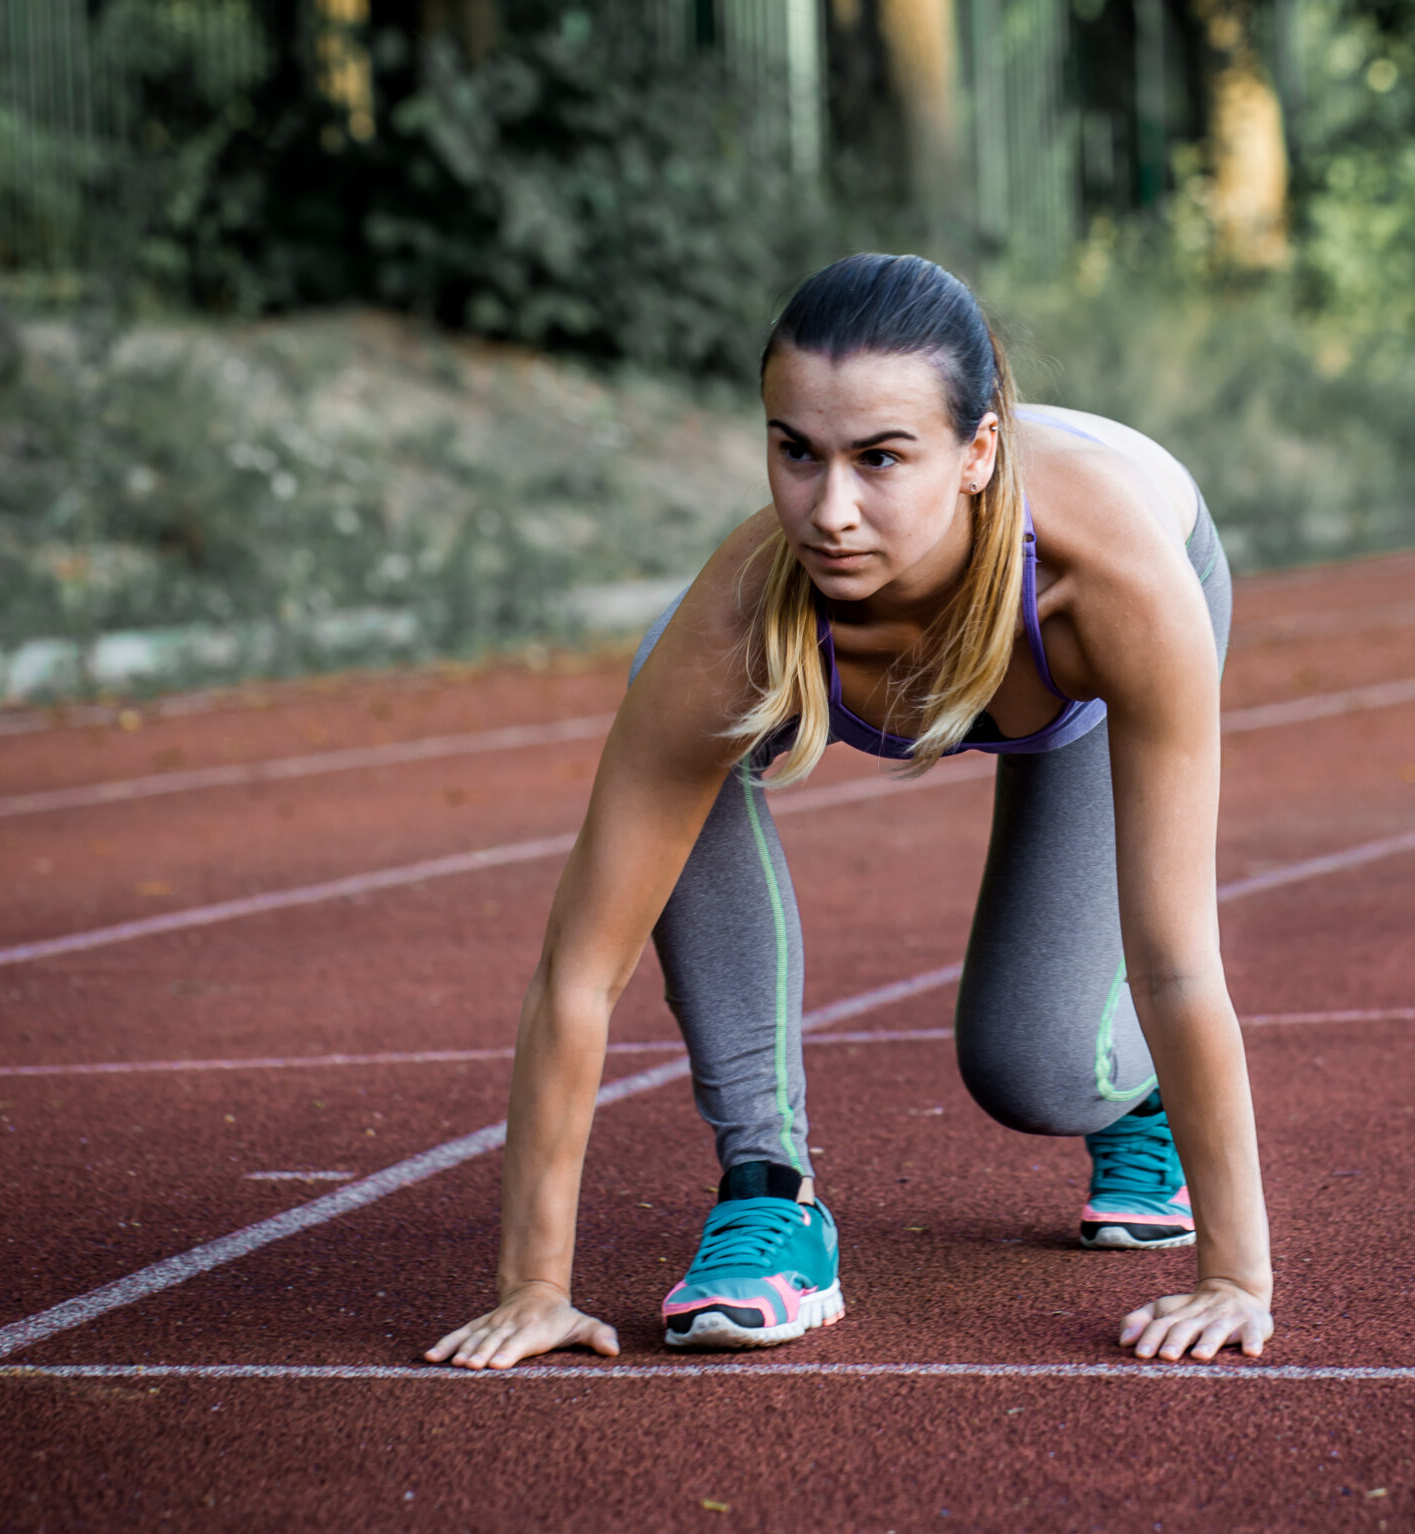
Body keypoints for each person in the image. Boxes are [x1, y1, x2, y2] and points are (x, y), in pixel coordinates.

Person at [426, 254, 1272, 1371]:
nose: (829, 512)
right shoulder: (739, 617)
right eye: (796, 453)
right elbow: (580, 970)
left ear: (976, 453)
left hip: (1082, 625)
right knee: (677, 711)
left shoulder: (1112, 586)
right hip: (874, 610)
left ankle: (1137, 1110)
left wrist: (1233, 1277)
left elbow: (1174, 961)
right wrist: (534, 1285)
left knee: (1032, 1068)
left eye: (879, 460)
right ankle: (769, 1194)